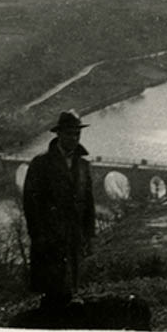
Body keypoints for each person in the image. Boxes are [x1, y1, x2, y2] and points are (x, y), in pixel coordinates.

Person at [22, 110, 96, 306]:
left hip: (74, 233)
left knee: (71, 278)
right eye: (69, 134)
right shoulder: (41, 163)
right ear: (59, 134)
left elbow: (88, 202)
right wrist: (37, 234)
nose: (74, 138)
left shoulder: (83, 165)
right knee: (52, 285)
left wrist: (89, 234)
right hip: (49, 234)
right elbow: (30, 202)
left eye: (77, 134)